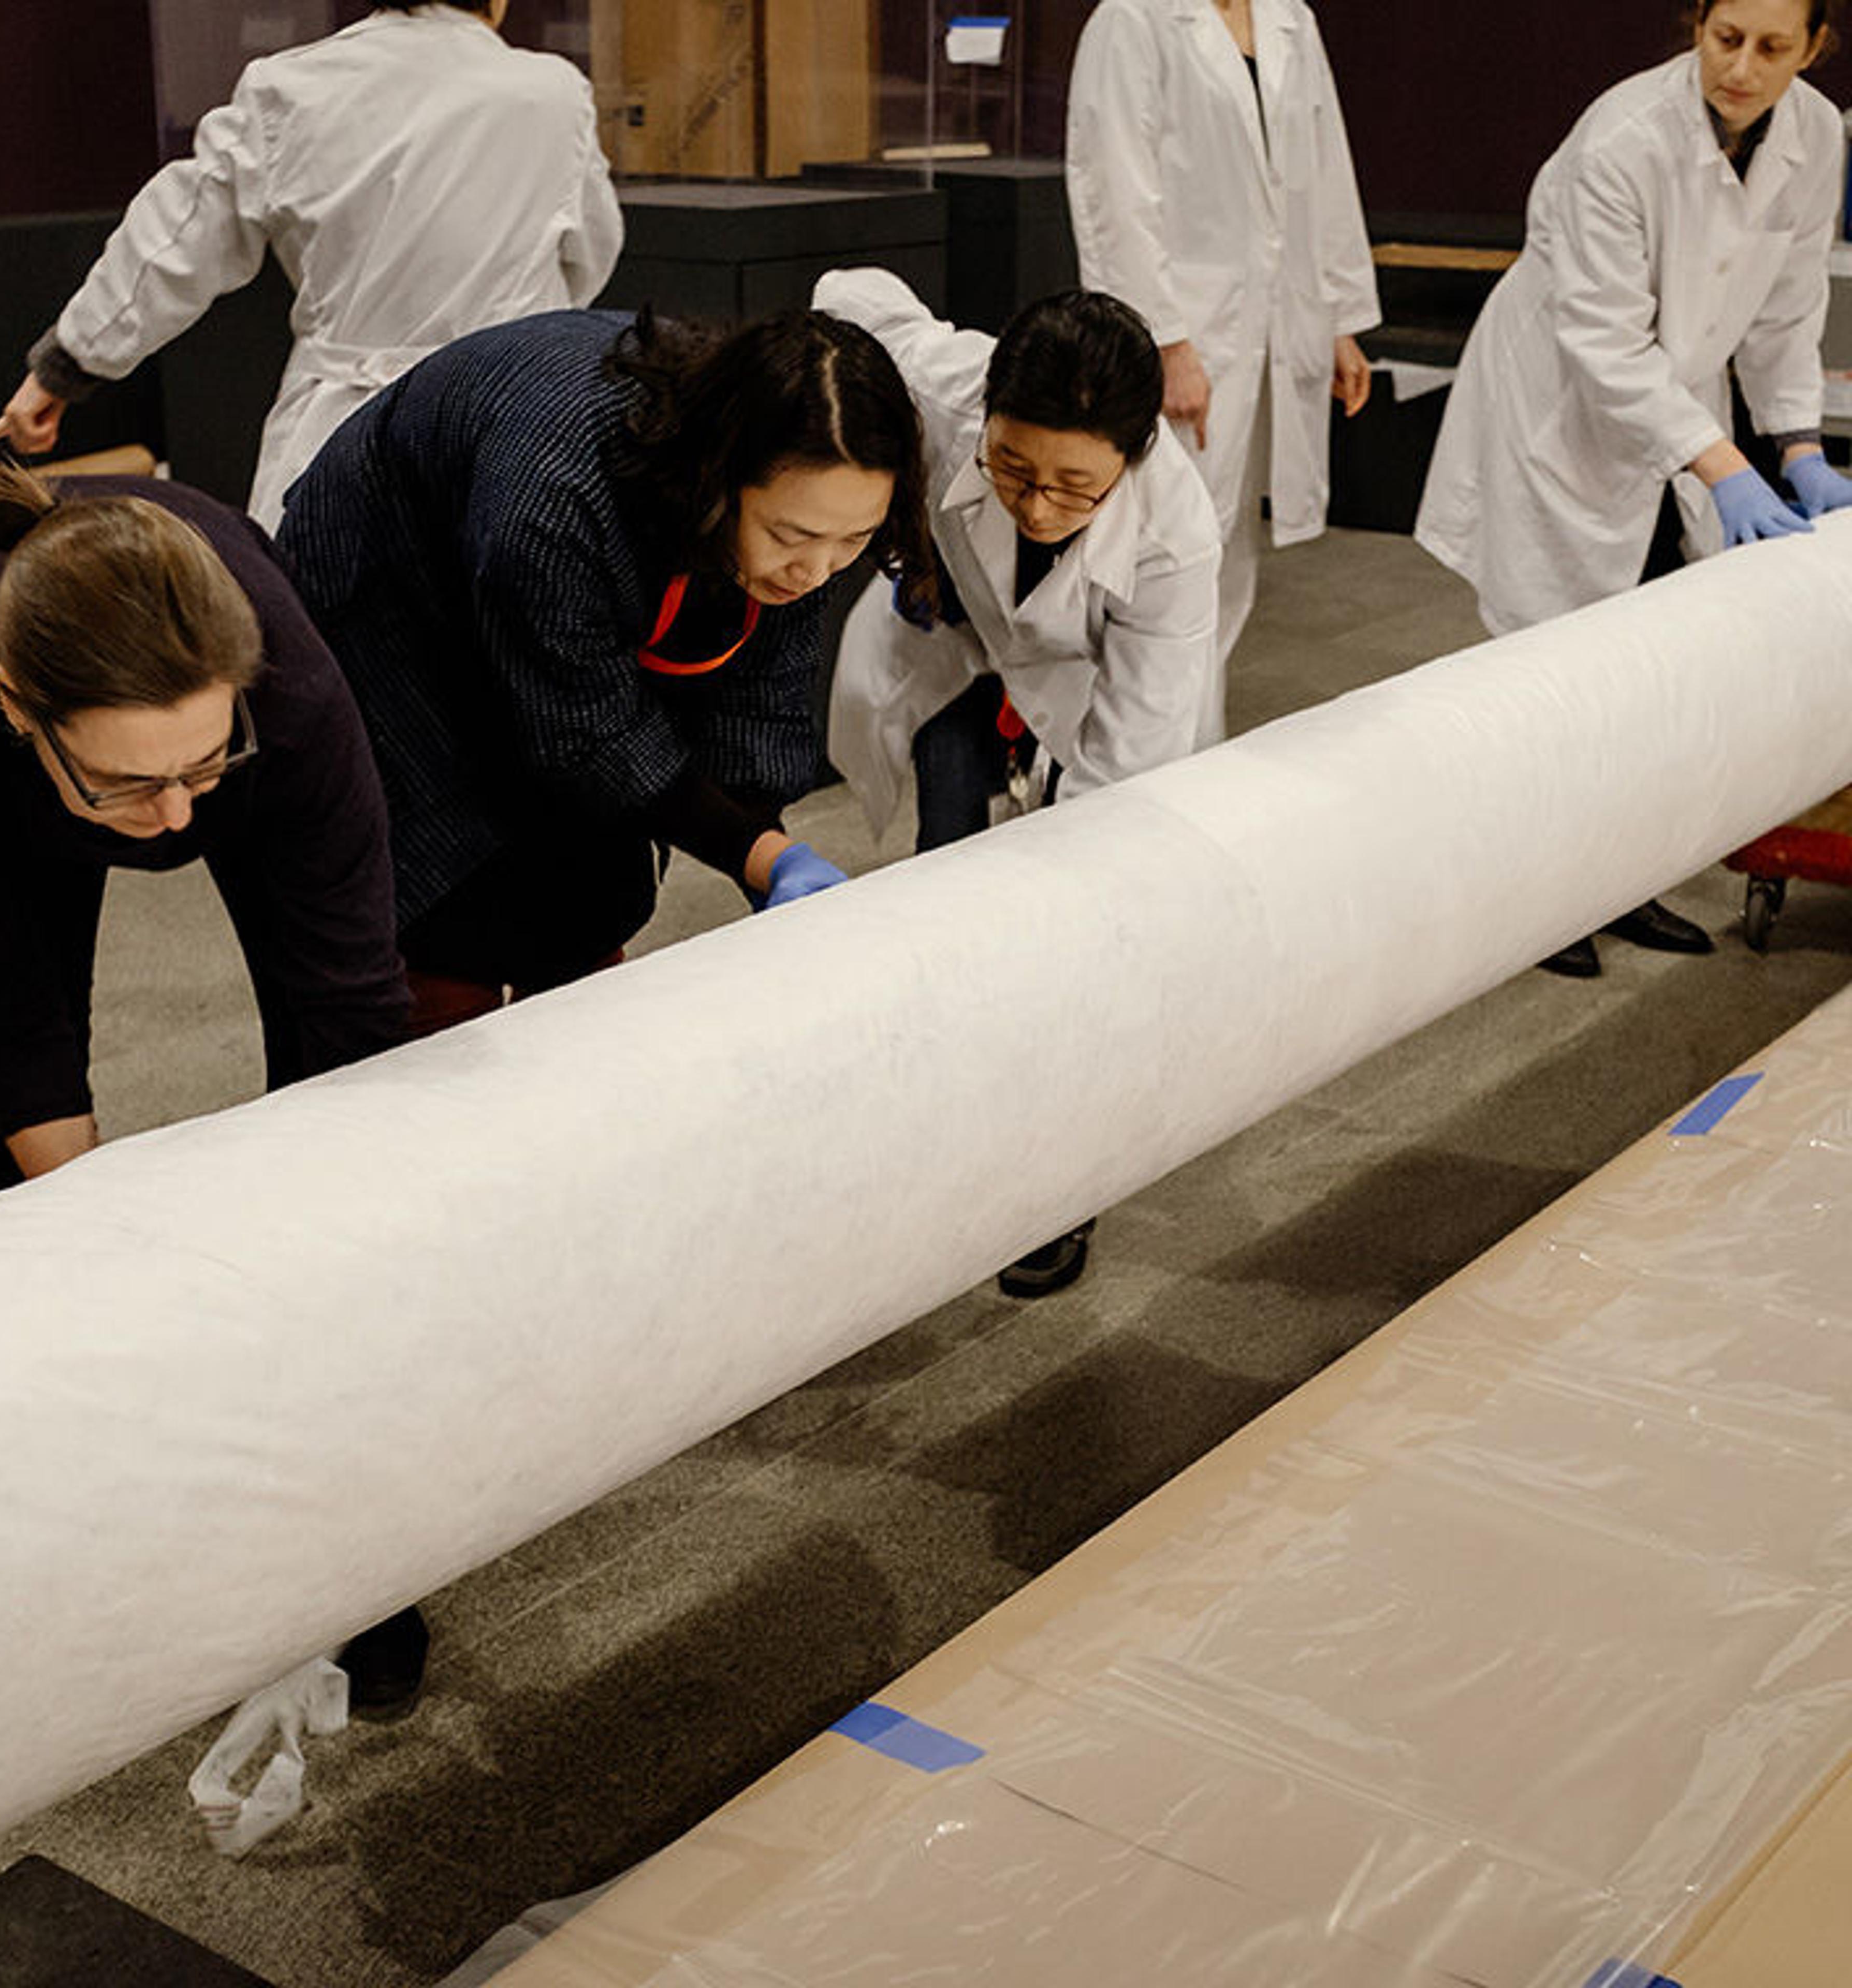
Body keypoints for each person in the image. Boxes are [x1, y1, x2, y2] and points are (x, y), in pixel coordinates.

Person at [276, 305, 935, 1033]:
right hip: (389, 610)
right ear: (722, 475)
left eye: (854, 541)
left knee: (590, 889)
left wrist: (766, 844)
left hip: (531, 571)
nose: (817, 571)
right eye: (793, 536)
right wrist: (757, 853)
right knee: (442, 898)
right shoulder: (557, 496)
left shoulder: (794, 504)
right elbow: (587, 731)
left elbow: (761, 694)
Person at [1416, 0, 1852, 976]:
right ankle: (1541, 904)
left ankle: (1621, 883)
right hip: (1566, 410)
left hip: (1676, 415)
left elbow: (1789, 309)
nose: (1742, 67)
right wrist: (1726, 466)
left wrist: (1797, 445)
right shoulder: (1622, 136)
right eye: (1725, 38)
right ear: (1696, 24)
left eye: (1773, 49)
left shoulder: (1817, 133)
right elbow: (1604, 343)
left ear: (1814, 49)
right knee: (1555, 672)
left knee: (1652, 661)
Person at [814, 271, 1221, 1297]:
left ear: (1132, 460)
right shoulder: (949, 384)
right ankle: (940, 1130)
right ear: (985, 414)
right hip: (950, 643)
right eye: (1011, 467)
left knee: (1072, 939)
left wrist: (1049, 917)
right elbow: (848, 292)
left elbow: (1125, 771)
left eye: (1076, 488)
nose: (1038, 505)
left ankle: (1055, 1176)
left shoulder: (1175, 539)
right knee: (947, 871)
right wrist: (903, 508)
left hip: (1081, 697)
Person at [0, 461, 408, 1200]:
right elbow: (4, 1005)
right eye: (133, 783)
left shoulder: (292, 690)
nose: (178, 816)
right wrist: (105, 1237)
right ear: (18, 704)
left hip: (261, 732)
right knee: (17, 1092)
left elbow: (354, 994)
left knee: (320, 1025)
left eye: (205, 766)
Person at [0, 1, 622, 532]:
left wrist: (66, 365)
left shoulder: (292, 88)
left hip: (339, 441)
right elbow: (591, 256)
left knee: (322, 658)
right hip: (505, 440)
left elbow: (172, 242)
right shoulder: (552, 94)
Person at [1066, 0, 1379, 709]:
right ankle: (1148, 743)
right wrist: (1161, 341)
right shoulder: (1132, 19)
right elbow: (1114, 190)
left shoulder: (1287, 17)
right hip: (1190, 326)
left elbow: (1322, 172)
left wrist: (1337, 320)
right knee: (1172, 546)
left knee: (1231, 546)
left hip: (1273, 322)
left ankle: (1196, 741)